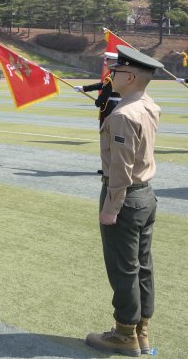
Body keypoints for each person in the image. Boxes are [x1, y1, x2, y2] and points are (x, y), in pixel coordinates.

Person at [86, 46, 162, 357]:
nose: (110, 74)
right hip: (145, 194)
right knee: (143, 266)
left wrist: (111, 208)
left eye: (116, 71)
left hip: (126, 196)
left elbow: (121, 169)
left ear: (129, 77)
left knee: (123, 268)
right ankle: (142, 331)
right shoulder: (147, 105)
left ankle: (124, 334)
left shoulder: (123, 115)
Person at [75, 52, 121, 175]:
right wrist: (84, 88)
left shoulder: (112, 77)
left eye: (107, 60)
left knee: (106, 141)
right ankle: (112, 167)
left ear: (113, 62)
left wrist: (98, 102)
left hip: (110, 107)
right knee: (115, 140)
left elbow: (105, 93)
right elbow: (102, 85)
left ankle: (108, 169)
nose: (106, 63)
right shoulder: (118, 75)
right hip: (119, 106)